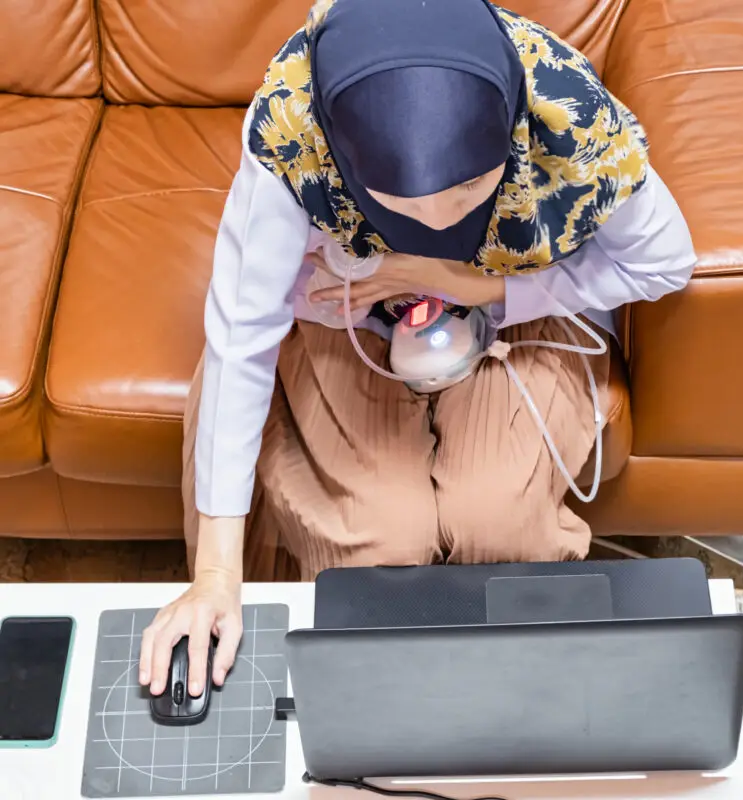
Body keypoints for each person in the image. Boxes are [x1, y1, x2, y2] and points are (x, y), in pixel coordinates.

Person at [138, 0, 696, 699]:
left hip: (523, 303)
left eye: (468, 188)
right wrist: (216, 577)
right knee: (374, 545)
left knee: (498, 520)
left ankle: (521, 708)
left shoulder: (569, 115)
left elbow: (665, 261)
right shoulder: (291, 131)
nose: (437, 218)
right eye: (396, 199)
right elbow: (241, 330)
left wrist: (471, 284)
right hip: (346, 313)